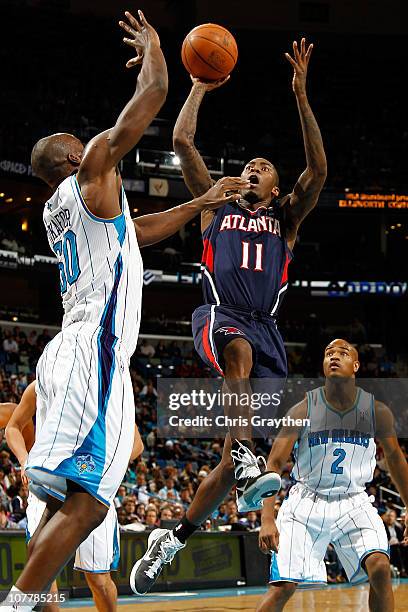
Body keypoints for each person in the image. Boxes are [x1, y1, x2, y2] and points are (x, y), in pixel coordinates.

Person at [2, 10, 248, 610]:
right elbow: (156, 95)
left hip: (66, 349)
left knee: (67, 504)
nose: (84, 140)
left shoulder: (67, 208)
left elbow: (137, 231)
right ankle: (16, 603)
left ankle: (26, 602)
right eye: (76, 140)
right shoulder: (91, 169)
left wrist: (205, 202)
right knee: (90, 503)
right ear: (71, 156)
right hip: (97, 351)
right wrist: (158, 53)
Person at [130, 37, 327, 595]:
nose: (255, 167)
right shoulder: (214, 204)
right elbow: (182, 139)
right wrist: (196, 86)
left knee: (224, 467)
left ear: (275, 186)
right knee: (236, 358)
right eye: (249, 165)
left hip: (269, 332)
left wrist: (301, 96)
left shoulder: (287, 219)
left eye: (264, 166)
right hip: (222, 315)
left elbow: (318, 167)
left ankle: (174, 539)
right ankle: (245, 461)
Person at [256, 339, 408, 612]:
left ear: (356, 365)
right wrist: (267, 517)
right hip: (306, 502)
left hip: (354, 501)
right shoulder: (302, 409)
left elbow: (396, 459)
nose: (334, 357)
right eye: (328, 353)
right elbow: (274, 463)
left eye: (343, 353)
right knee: (283, 587)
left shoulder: (376, 411)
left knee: (381, 568)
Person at [5, 380, 144, 612]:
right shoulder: (42, 383)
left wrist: (108, 466)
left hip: (91, 488)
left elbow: (136, 444)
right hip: (47, 486)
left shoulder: (109, 387)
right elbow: (12, 427)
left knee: (98, 580)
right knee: (43, 576)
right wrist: (23, 459)